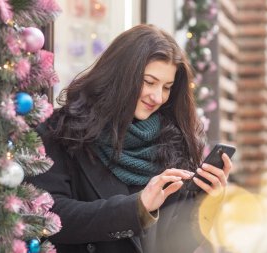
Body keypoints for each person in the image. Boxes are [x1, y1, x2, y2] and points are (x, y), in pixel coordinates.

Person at [26, 24, 233, 253]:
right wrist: (137, 208)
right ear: (121, 75)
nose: (157, 97)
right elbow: (50, 215)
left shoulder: (171, 143)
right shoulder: (62, 130)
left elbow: (171, 245)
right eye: (149, 82)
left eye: (167, 87)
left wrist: (205, 202)